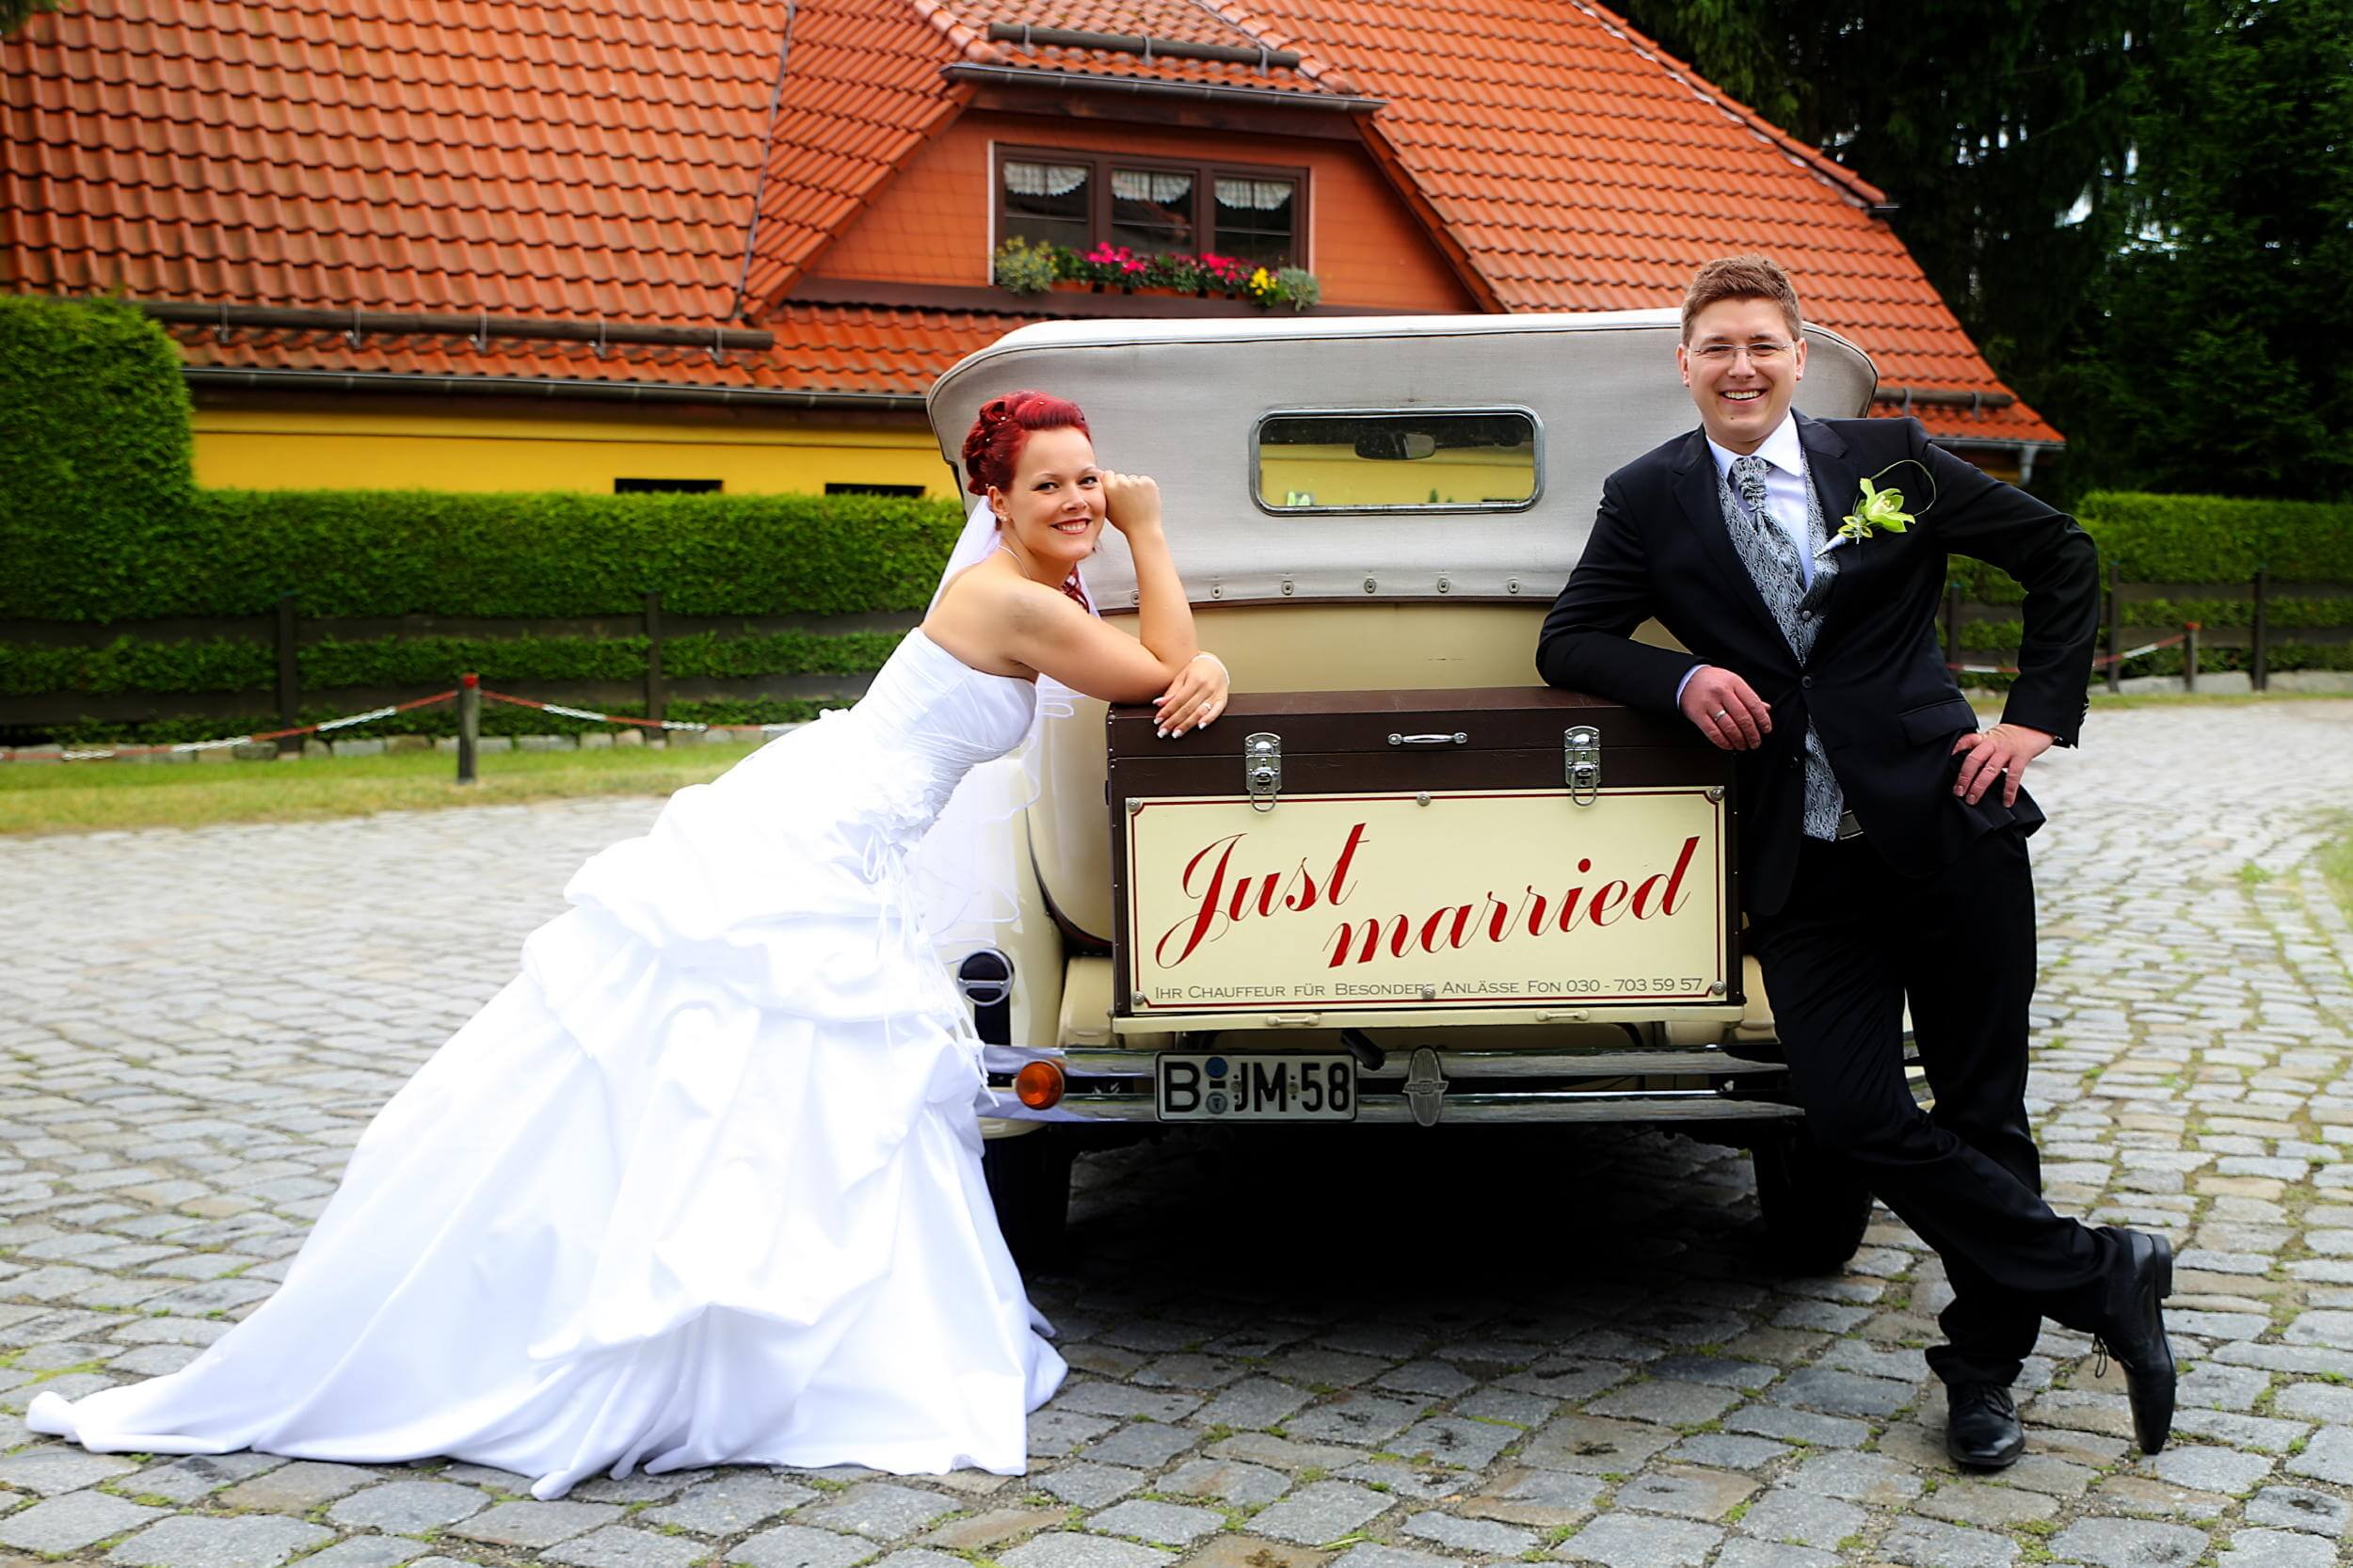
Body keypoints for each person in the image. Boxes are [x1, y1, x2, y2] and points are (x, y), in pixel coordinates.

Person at [28, 391, 1228, 1498]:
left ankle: (775, 1314)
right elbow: (1158, 671)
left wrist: (1191, 650)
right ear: (993, 500)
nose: (1079, 499)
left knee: (799, 1076)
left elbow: (1159, 667)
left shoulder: (1035, 585)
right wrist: (1151, 533)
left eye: (1089, 479)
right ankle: (673, 1312)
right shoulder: (1016, 599)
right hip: (819, 835)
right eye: (1049, 484)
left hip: (844, 827)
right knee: (738, 1063)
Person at [1536, 256, 2174, 1470]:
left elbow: (2061, 555)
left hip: (1949, 825)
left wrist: (2033, 719)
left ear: (1796, 357)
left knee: (1982, 1110)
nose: (1739, 367)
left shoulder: (1892, 460)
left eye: (1761, 346)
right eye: (1716, 347)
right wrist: (1681, 674)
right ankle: (2104, 1274)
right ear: (1683, 364)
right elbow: (1568, 638)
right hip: (1800, 860)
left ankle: (1981, 1372)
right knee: (1848, 1111)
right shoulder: (1649, 494)